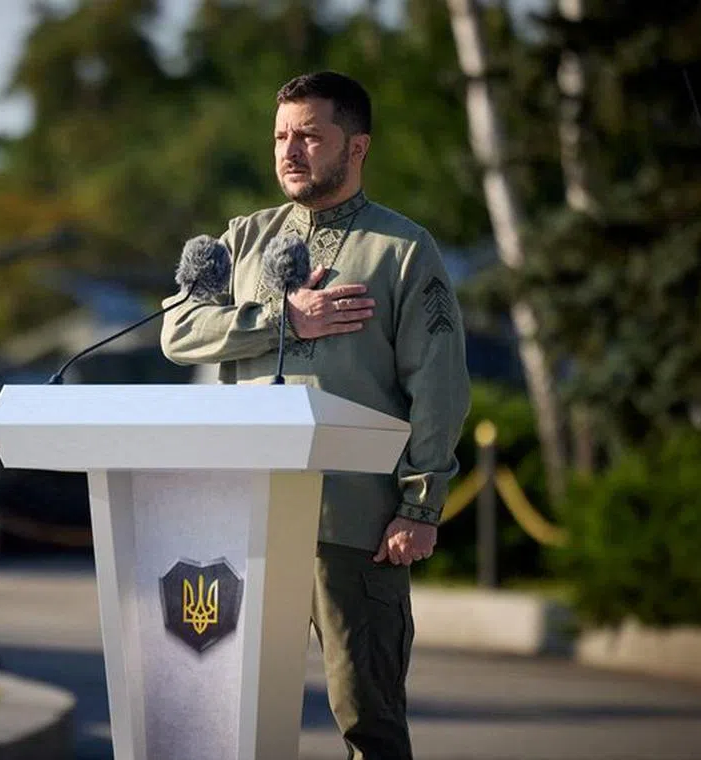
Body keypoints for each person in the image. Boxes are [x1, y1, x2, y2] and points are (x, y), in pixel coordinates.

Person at [160, 71, 471, 760]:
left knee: (367, 718)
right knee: (228, 718)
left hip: (353, 525)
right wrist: (282, 318)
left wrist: (420, 506)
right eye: (280, 137)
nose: (289, 152)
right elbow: (178, 331)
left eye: (308, 136)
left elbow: (440, 385)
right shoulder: (243, 238)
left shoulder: (402, 250)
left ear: (356, 146)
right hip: (239, 521)